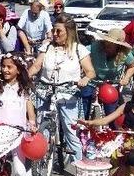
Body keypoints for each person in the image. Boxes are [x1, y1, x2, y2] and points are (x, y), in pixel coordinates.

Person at [28, 15, 95, 160]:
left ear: (69, 32)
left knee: (71, 132)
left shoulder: (79, 49)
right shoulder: (47, 46)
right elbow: (36, 66)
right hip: (45, 92)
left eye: (59, 31)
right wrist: (25, 77)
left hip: (67, 95)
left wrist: (84, 79)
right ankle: (38, 161)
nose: (54, 34)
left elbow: (90, 72)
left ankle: (79, 165)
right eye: (53, 30)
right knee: (40, 127)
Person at [83, 28, 134, 116]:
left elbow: (132, 66)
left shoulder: (125, 53)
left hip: (112, 82)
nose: (107, 45)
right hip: (93, 80)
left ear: (118, 46)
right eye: (106, 42)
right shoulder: (95, 46)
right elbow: (82, 54)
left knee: (111, 110)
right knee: (85, 96)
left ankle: (112, 126)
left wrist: (126, 78)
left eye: (111, 44)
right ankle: (84, 125)